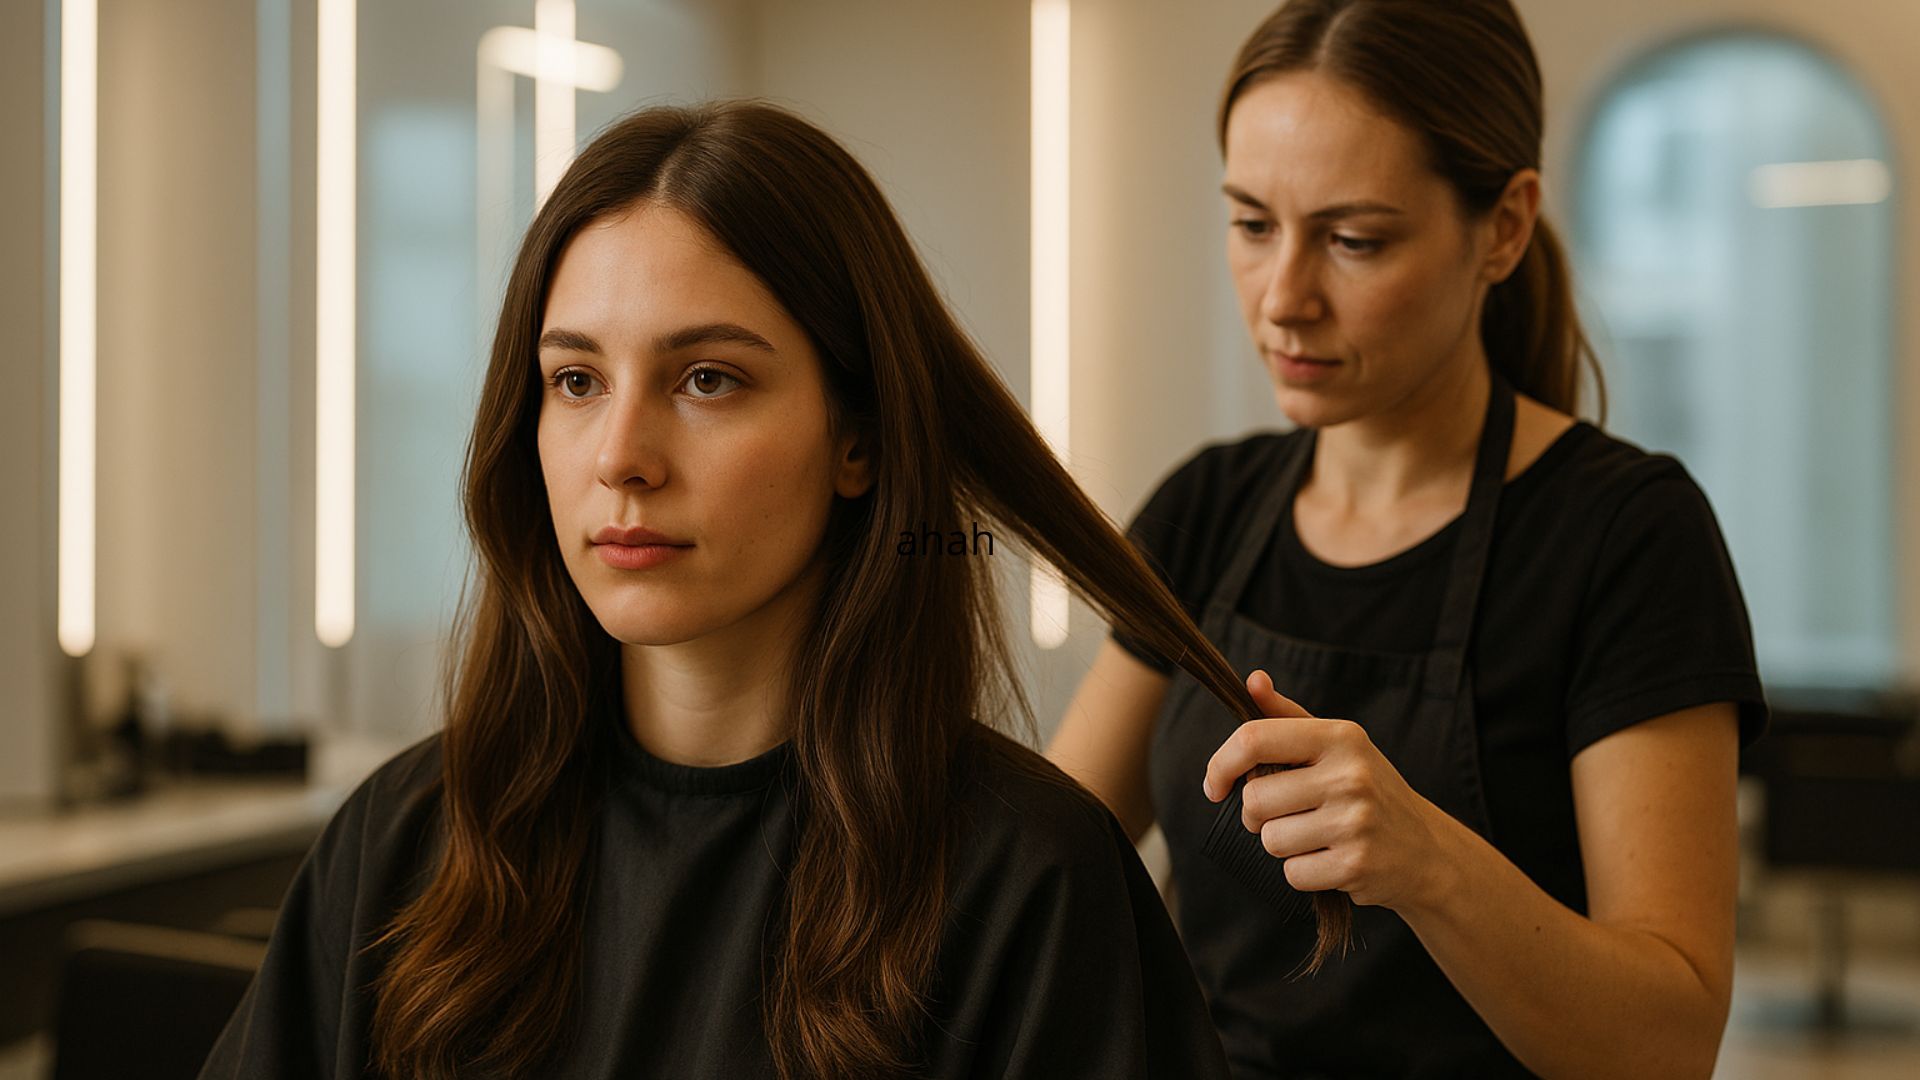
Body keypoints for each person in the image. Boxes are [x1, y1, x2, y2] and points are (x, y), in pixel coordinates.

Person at [199, 101, 1258, 1080]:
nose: (621, 456)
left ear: (860, 439)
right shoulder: (404, 843)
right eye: (576, 381)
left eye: (708, 379)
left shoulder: (1028, 882)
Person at [1046, 2, 1769, 1077]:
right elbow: (1047, 860)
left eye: (1353, 241)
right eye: (1252, 225)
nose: (1284, 299)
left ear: (1505, 228)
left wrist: (1426, 859)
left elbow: (1666, 1046)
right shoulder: (1207, 508)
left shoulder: (1625, 537)